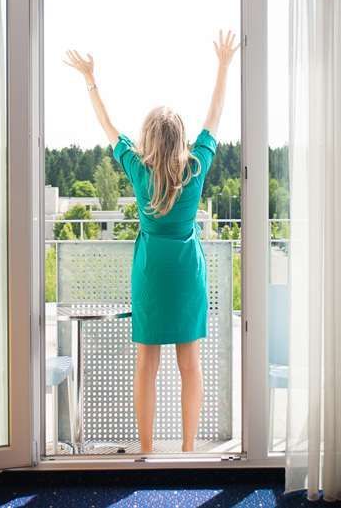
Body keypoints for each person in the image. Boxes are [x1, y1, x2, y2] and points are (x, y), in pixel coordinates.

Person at [64, 30, 239, 453]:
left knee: (146, 364)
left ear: (149, 138)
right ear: (179, 138)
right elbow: (214, 115)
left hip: (150, 274)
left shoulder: (139, 171)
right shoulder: (196, 168)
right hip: (186, 274)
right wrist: (223, 66)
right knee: (190, 365)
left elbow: (108, 126)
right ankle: (187, 449)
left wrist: (90, 79)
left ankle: (146, 449)